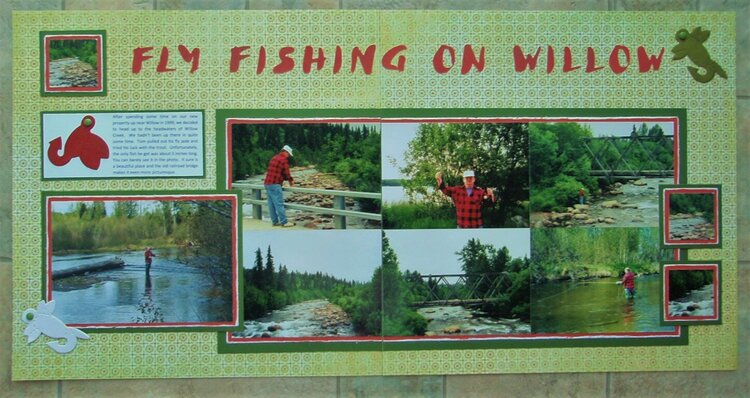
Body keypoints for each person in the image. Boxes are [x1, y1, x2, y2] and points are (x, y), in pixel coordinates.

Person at [264, 145, 295, 227]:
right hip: (275, 184)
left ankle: (274, 221)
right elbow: (286, 173)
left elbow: (277, 171)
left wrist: (283, 178)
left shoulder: (274, 158)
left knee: (271, 204)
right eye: (288, 154)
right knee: (279, 203)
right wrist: (291, 181)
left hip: (267, 183)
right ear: (285, 152)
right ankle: (284, 222)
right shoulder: (283, 160)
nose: (288, 156)